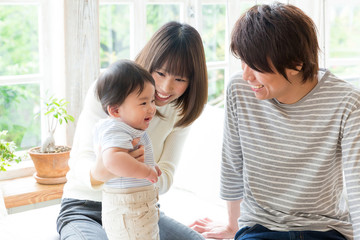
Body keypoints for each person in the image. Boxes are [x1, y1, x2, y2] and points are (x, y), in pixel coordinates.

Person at [190, 2, 360, 240]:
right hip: (259, 228)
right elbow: (232, 162)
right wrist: (232, 225)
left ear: (296, 64)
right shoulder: (240, 90)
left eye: (256, 66)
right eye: (243, 60)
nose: (246, 75)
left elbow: (357, 184)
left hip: (325, 230)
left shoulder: (347, 102)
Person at [57, 21, 208, 240]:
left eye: (180, 79)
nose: (166, 88)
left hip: (139, 208)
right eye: (160, 73)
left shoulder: (181, 110)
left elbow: (166, 176)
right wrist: (107, 168)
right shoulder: (111, 89)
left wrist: (143, 171)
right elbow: (81, 161)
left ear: (192, 81)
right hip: (85, 208)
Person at [93, 60, 161, 239]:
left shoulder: (129, 128)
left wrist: (152, 166)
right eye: (143, 103)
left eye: (152, 100)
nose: (152, 108)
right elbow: (113, 160)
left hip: (138, 206)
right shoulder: (116, 128)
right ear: (115, 111)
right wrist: (146, 171)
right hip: (128, 208)